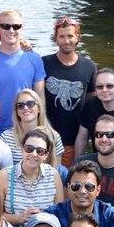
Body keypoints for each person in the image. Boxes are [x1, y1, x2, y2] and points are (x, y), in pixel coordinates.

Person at [0, 128, 64, 227]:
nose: (34, 154)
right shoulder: (4, 176)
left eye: (40, 151)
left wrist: (43, 217)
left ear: (46, 155)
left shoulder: (53, 175)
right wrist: (19, 218)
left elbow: (59, 214)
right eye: (29, 149)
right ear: (22, 149)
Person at [42, 16, 97, 166]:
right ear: (56, 39)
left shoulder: (89, 67)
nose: (66, 41)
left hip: (76, 142)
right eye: (62, 36)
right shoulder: (43, 63)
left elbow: (92, 105)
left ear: (77, 37)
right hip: (47, 141)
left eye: (70, 36)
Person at [0, 10, 46, 135]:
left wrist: (41, 128)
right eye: (6, 26)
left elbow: (40, 98)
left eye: (16, 26)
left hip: (25, 129)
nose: (11, 30)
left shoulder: (34, 59)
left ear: (22, 28)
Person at [74, 68, 114, 160]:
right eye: (99, 87)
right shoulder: (90, 106)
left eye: (109, 86)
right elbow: (82, 137)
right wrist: (78, 162)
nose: (104, 90)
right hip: (97, 160)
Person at [0, 88, 64, 166]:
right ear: (17, 112)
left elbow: (56, 168)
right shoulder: (6, 137)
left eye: (30, 104)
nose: (25, 108)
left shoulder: (54, 136)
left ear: (39, 108)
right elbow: (4, 169)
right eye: (20, 106)